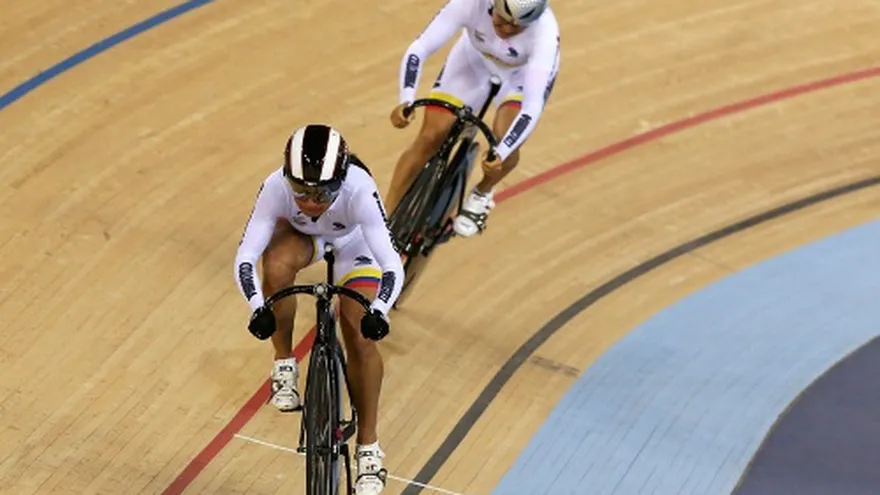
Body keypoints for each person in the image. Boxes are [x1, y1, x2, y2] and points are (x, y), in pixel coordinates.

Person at [234, 124, 402, 495]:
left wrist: (380, 310)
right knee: (275, 267)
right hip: (304, 238)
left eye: (322, 193)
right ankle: (283, 363)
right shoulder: (276, 186)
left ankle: (369, 448)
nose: (310, 202)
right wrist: (257, 307)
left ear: (340, 180)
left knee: (358, 334)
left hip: (354, 243)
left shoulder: (360, 189)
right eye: (301, 192)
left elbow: (392, 263)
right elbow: (247, 255)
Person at [384, 0, 560, 237]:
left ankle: (482, 192)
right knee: (429, 137)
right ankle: (385, 219)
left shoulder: (545, 33)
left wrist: (502, 151)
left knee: (503, 135)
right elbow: (420, 48)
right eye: (503, 19)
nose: (507, 29)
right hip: (473, 60)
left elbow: (531, 106)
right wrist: (406, 99)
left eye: (517, 26)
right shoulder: (469, 3)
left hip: (519, 76)